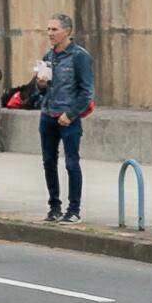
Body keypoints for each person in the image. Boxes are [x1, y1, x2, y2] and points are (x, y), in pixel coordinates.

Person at [38, 13, 94, 222]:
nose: (50, 34)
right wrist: (41, 84)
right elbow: (42, 91)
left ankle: (74, 210)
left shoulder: (80, 56)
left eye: (54, 29)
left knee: (71, 163)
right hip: (48, 115)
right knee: (48, 162)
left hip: (68, 119)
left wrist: (70, 114)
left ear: (67, 31)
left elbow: (87, 92)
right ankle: (54, 207)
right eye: (48, 29)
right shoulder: (48, 56)